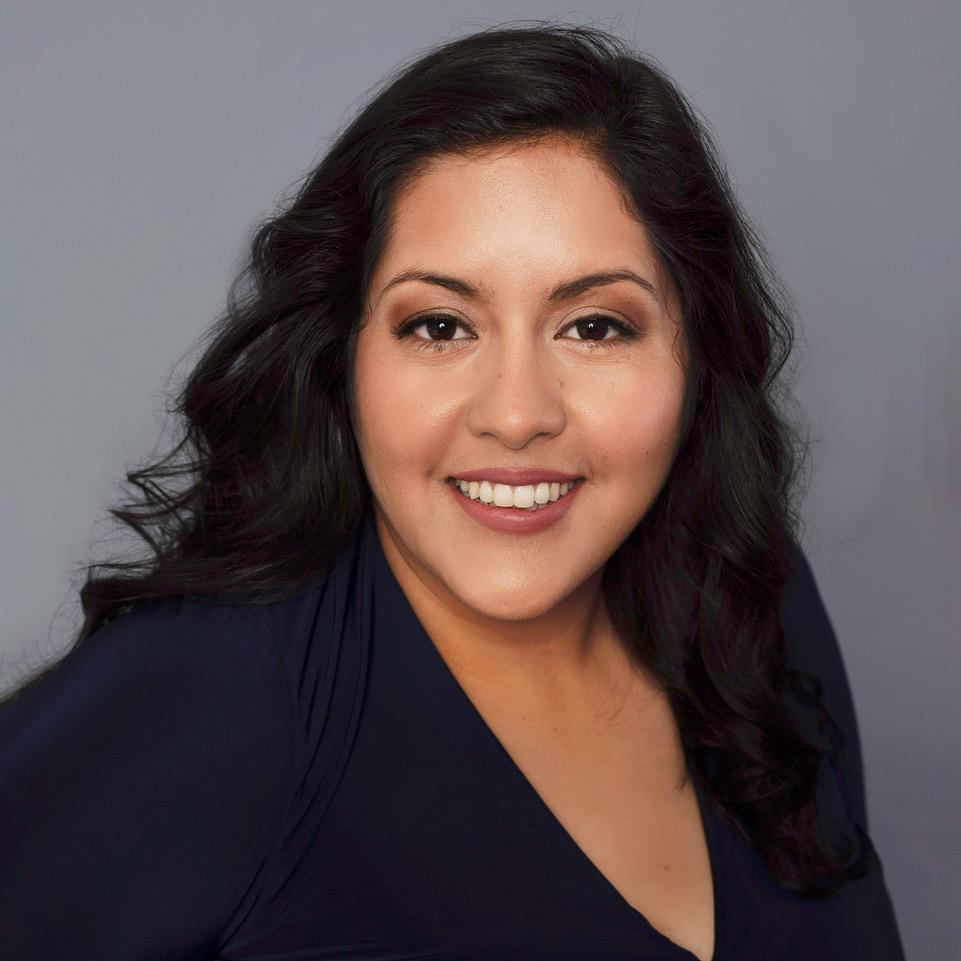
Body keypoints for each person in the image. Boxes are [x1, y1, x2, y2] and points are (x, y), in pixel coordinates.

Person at [0, 21, 905, 961]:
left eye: (594, 326)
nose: (515, 414)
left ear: (695, 357)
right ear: (343, 357)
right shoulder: (216, 692)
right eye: (439, 326)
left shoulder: (751, 600)